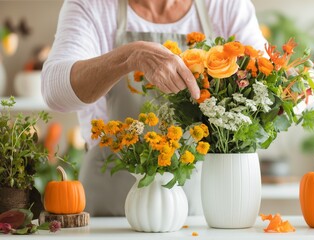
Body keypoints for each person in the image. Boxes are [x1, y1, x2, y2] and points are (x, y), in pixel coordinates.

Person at [41, 0, 267, 216]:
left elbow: (269, 85)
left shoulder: (226, 5)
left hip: (199, 210)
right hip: (111, 210)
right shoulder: (91, 5)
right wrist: (131, 56)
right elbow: (54, 92)